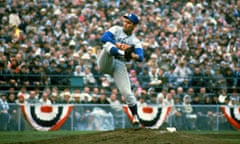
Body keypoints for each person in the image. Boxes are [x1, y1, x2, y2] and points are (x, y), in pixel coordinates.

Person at [97, 13, 144, 125]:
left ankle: (135, 117)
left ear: (134, 26)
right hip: (106, 61)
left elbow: (141, 57)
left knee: (127, 92)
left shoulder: (135, 40)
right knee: (108, 45)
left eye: (129, 23)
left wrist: (132, 55)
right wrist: (120, 47)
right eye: (125, 21)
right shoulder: (116, 29)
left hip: (119, 63)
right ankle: (120, 52)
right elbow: (103, 38)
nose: (125, 24)